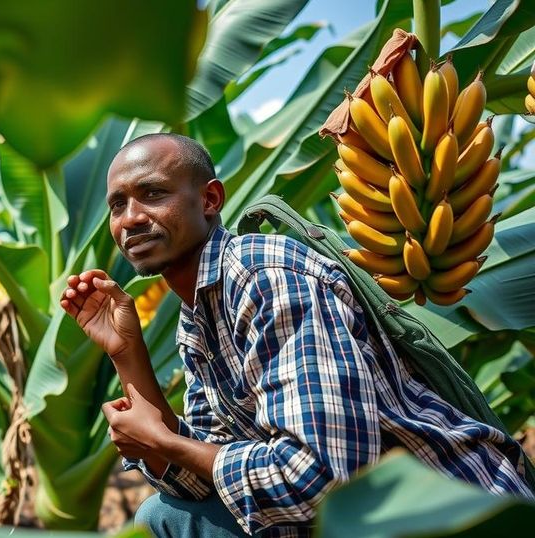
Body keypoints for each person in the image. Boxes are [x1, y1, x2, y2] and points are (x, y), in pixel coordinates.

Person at [59, 133, 534, 537]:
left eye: (153, 194)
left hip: (444, 514)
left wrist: (164, 444)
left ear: (209, 200)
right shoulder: (199, 313)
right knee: (167, 517)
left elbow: (321, 479)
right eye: (118, 204)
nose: (131, 218)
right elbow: (199, 480)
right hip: (355, 517)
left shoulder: (264, 277)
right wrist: (128, 353)